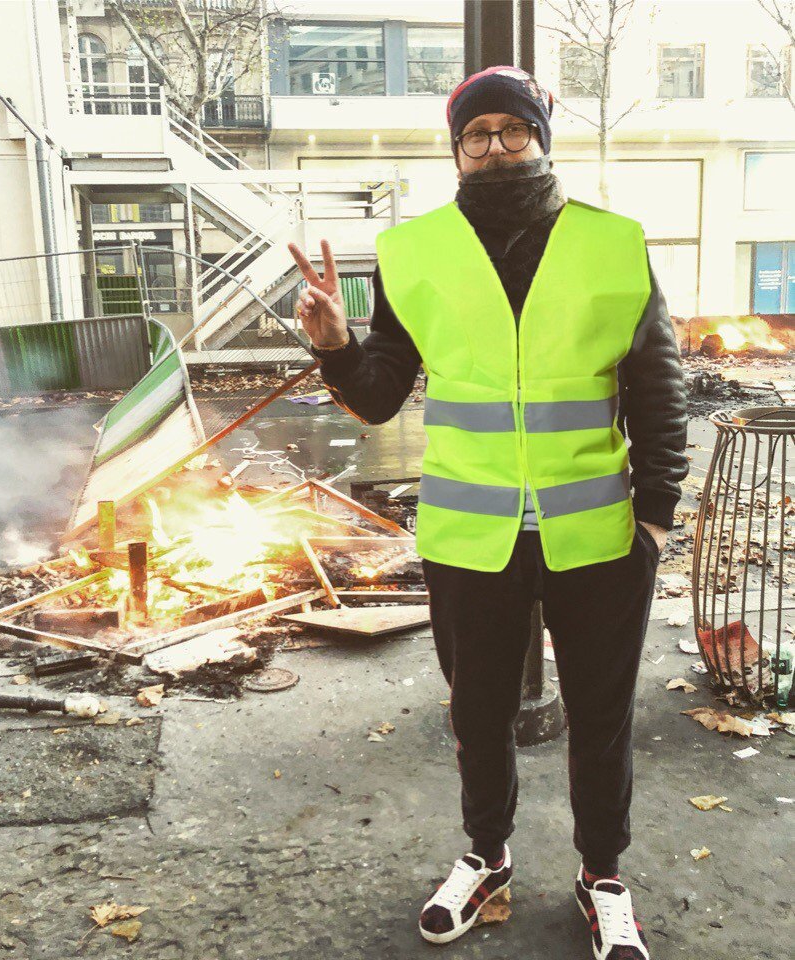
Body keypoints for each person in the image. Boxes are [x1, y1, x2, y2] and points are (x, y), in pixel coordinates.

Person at [287, 64, 688, 960]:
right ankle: (487, 860)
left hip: (599, 533)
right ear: (456, 150)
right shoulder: (414, 251)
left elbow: (658, 387)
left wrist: (655, 518)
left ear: (542, 137)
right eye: (477, 134)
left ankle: (602, 876)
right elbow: (383, 393)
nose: (495, 145)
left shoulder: (613, 243)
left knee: (601, 714)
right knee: (478, 715)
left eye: (513, 129)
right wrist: (340, 348)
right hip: (471, 536)